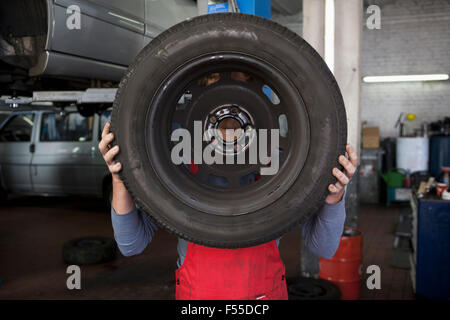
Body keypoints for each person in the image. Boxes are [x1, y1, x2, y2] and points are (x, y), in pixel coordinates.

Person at [99, 74, 357, 300]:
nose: (228, 105)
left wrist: (334, 195)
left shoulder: (279, 162)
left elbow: (324, 247)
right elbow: (131, 244)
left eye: (240, 87)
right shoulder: (176, 163)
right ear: (201, 98)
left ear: (255, 99)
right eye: (217, 87)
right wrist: (121, 179)